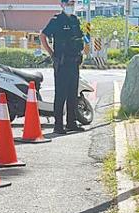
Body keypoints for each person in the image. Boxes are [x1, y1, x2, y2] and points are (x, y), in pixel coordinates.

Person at [40, 0, 89, 134]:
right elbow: (43, 36)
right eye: (68, 4)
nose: (71, 6)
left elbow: (80, 39)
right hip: (62, 63)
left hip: (74, 62)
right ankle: (58, 126)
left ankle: (71, 123)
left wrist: (82, 53)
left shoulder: (75, 20)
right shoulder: (56, 20)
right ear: (62, 5)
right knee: (61, 95)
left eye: (73, 3)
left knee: (73, 94)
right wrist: (51, 54)